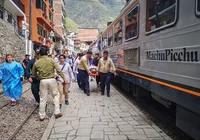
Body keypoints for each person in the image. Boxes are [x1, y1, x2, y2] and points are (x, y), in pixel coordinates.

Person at [31, 46, 67, 121]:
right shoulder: (52, 60)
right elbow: (59, 70)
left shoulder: (37, 62)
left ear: (40, 54)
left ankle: (42, 115)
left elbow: (33, 74)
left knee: (43, 98)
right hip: (52, 80)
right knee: (56, 95)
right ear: (47, 53)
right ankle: (57, 112)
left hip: (43, 81)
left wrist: (39, 77)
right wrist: (64, 79)